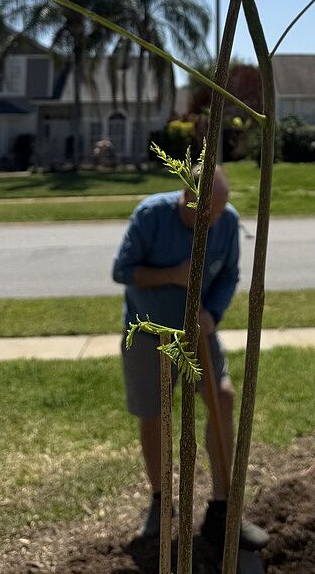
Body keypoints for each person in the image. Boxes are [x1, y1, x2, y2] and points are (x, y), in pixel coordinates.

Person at [112, 165, 268, 552]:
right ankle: (161, 502)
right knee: (156, 415)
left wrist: (212, 313)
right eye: (208, 211)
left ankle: (222, 511)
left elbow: (229, 275)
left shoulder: (226, 222)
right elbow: (122, 271)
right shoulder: (151, 215)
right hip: (149, 332)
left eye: (220, 210)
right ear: (187, 198)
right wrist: (174, 274)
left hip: (198, 330)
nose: (215, 220)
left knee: (223, 397)